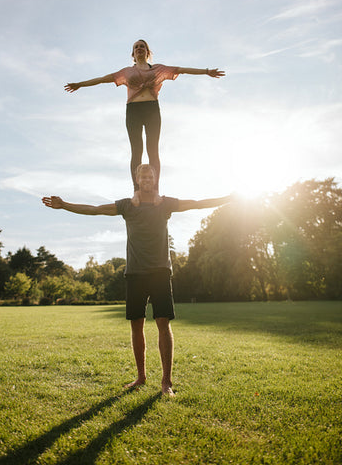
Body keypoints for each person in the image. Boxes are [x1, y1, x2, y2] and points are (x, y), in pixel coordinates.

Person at [42, 163, 232, 396]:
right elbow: (95, 209)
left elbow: (195, 204)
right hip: (134, 272)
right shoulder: (126, 206)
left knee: (163, 323)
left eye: (150, 175)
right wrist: (64, 205)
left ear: (155, 179)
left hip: (160, 271)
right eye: (143, 175)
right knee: (136, 324)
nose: (147, 179)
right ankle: (141, 377)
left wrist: (227, 198)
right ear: (137, 180)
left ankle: (166, 382)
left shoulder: (165, 204)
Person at [64, 39, 225, 197]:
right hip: (133, 110)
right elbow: (101, 79)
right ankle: (137, 191)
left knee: (153, 150)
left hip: (152, 109)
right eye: (136, 47)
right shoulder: (126, 72)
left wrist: (206, 71)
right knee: (137, 151)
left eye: (142, 46)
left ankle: (155, 191)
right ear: (133, 54)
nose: (139, 48)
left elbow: (182, 69)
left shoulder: (158, 69)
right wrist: (80, 84)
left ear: (148, 52)